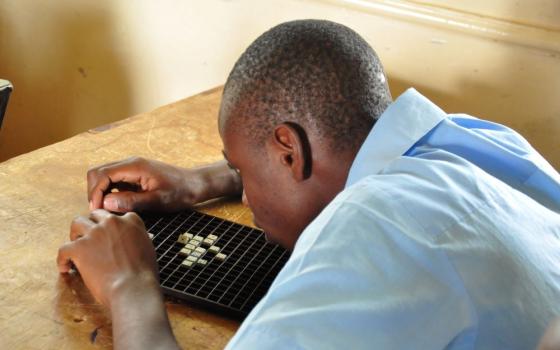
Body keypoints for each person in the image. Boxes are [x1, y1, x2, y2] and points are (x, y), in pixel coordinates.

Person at [56, 19, 560, 349]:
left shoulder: (372, 232)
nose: (246, 194)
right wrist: (204, 179)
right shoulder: (480, 142)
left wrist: (129, 284)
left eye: (248, 174)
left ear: (289, 151)